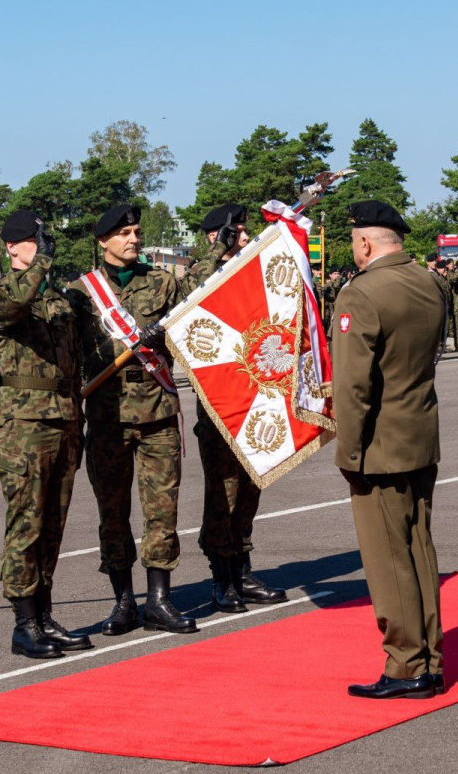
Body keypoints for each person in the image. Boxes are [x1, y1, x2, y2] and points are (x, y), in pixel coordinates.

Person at [332, 199, 448, 700]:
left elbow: (354, 388)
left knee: (388, 559)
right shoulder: (429, 282)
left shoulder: (362, 295)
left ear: (364, 242)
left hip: (379, 444)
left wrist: (348, 454)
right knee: (419, 549)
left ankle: (406, 665)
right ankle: (430, 656)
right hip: (420, 432)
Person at [67, 203, 196, 634]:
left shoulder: (162, 283)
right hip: (108, 418)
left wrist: (170, 334)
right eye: (124, 233)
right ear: (103, 241)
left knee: (163, 510)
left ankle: (159, 599)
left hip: (158, 413)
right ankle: (124, 601)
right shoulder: (80, 294)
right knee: (113, 511)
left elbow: (195, 331)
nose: (134, 239)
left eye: (137, 232)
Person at [0, 209, 90, 659]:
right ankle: (24, 624)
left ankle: (45, 615)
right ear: (12, 247)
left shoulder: (59, 301)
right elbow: (15, 302)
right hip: (25, 428)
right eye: (34, 241)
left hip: (65, 419)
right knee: (26, 525)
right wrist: (42, 265)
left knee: (53, 526)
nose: (43, 247)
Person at [178, 204, 287, 614]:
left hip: (256, 397)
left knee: (250, 487)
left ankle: (242, 567)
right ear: (214, 237)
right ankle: (221, 576)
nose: (244, 237)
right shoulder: (201, 276)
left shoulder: (248, 272)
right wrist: (217, 254)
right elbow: (192, 294)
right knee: (222, 491)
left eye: (244, 230)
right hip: (219, 405)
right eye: (235, 232)